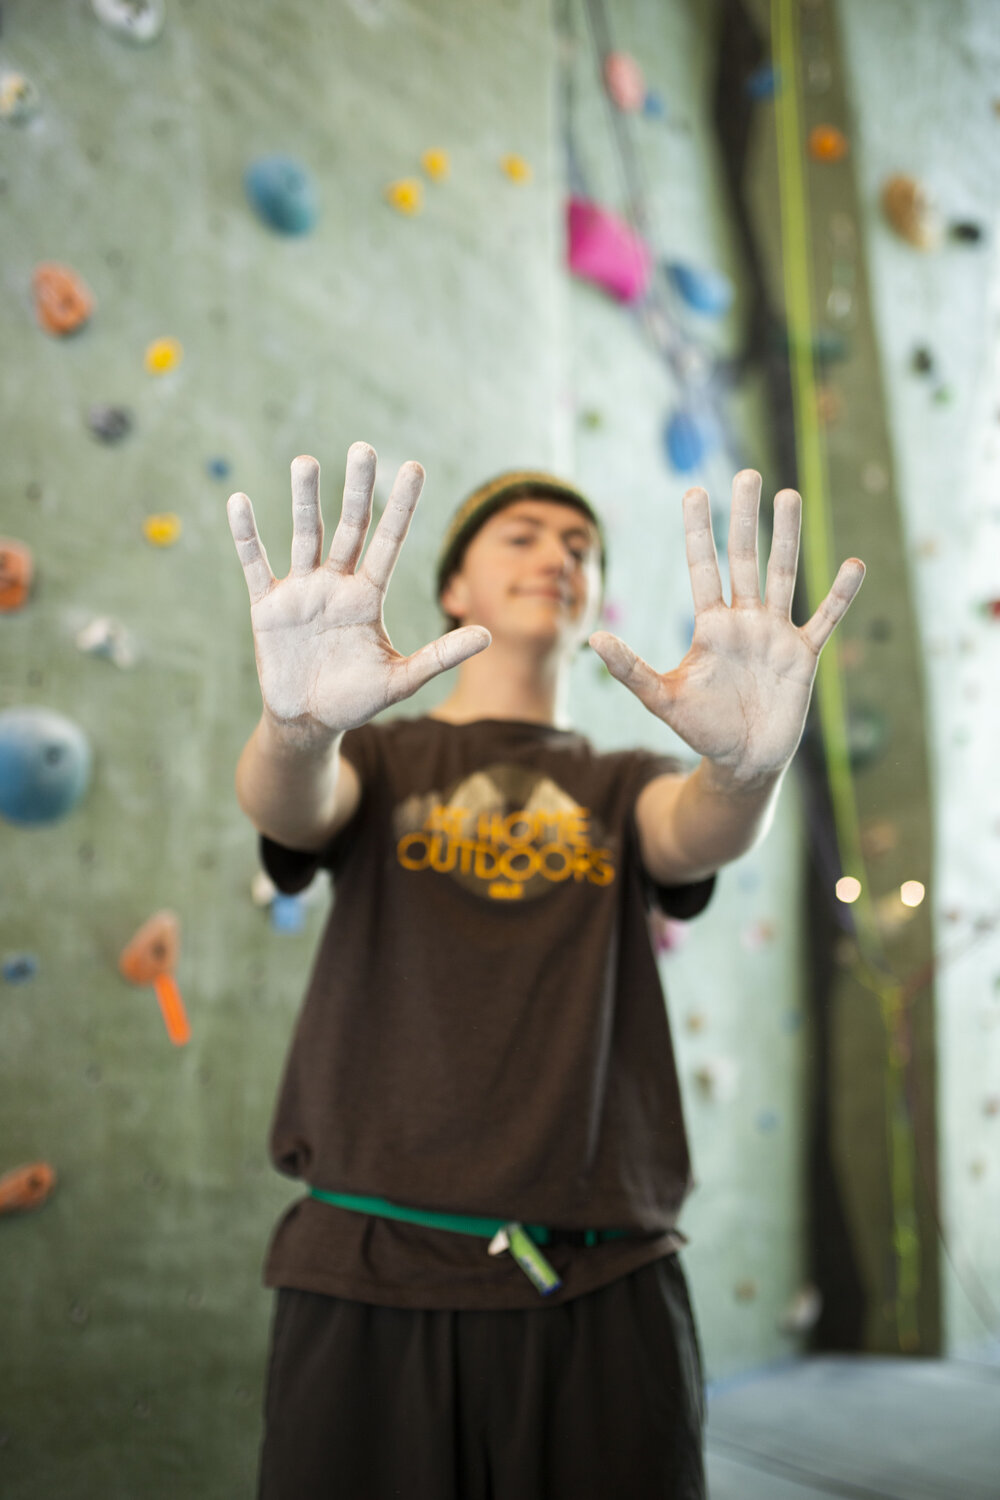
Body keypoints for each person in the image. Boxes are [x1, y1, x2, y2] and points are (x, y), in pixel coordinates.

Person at [227, 441, 864, 1499]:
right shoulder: (377, 763)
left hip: (602, 1278)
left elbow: (694, 832)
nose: (555, 555)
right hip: (370, 1266)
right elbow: (290, 803)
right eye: (519, 536)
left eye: (580, 545)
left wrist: (745, 771)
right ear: (452, 587)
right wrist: (294, 729)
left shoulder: (624, 784)